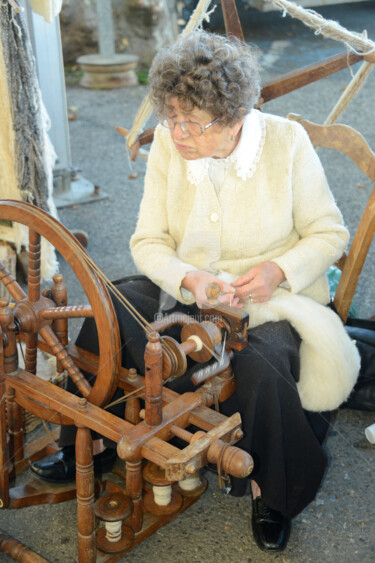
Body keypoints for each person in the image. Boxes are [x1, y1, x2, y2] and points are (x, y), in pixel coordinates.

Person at [31, 30, 360, 553]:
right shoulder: (169, 143)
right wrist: (190, 279)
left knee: (260, 366)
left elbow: (330, 232)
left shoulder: (285, 143)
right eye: (171, 115)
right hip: (186, 289)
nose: (177, 132)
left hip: (270, 299)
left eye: (192, 122)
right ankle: (89, 443)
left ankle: (272, 491)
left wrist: (278, 269)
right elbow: (148, 240)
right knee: (110, 306)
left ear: (234, 117)